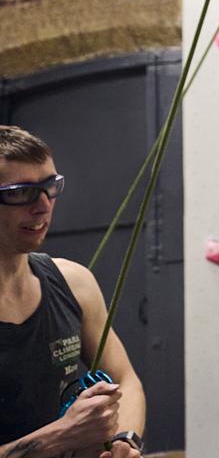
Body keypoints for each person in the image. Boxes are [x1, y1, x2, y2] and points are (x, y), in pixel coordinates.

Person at [0, 126, 146, 458]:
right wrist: (61, 435)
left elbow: (125, 380)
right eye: (22, 192)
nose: (43, 206)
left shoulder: (73, 282)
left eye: (50, 187)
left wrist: (126, 439)